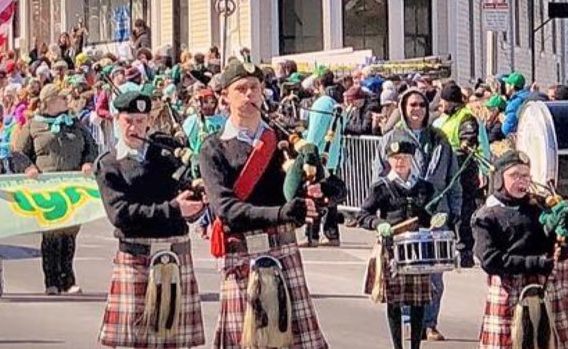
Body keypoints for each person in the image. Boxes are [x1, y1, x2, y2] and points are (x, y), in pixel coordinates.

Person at [198, 60, 329, 348]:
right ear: (225, 96)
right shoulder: (213, 148)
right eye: (240, 89)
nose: (248, 95)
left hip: (282, 246)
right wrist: (281, 213)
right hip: (241, 249)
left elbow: (320, 189)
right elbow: (226, 209)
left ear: (262, 93)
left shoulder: (284, 140)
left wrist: (321, 189)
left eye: (254, 88)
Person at [96, 91, 207, 348]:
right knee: (135, 342)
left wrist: (198, 202)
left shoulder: (167, 155)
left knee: (175, 342)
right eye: (128, 120)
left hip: (176, 254)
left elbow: (188, 195)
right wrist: (173, 209)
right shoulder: (109, 164)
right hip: (136, 257)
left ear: (149, 121)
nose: (134, 127)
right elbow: (121, 215)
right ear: (116, 120)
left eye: (140, 120)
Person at [472, 150, 568, 348]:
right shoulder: (487, 215)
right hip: (508, 289)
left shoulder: (540, 206)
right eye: (514, 175)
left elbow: (563, 248)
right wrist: (535, 262)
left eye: (525, 175)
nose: (521, 181)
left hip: (544, 288)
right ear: (500, 178)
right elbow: (489, 260)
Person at [379, 87, 456, 339]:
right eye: (412, 105)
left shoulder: (439, 139)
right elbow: (378, 178)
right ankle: (407, 324)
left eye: (422, 105)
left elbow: (452, 180)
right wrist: (381, 218)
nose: (417, 110)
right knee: (402, 276)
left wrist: (453, 213)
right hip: (401, 219)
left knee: (433, 276)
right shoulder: (390, 139)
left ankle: (429, 323)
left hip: (435, 215)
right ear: (403, 107)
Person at [12, 83, 98, 295]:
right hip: (47, 189)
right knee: (51, 235)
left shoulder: (75, 124)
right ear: (49, 101)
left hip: (72, 187)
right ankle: (51, 281)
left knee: (69, 234)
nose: (65, 101)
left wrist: (88, 162)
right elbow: (18, 153)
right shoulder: (33, 126)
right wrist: (29, 167)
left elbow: (91, 147)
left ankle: (67, 280)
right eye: (61, 98)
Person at [352, 137, 436, 348]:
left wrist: (436, 218)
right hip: (392, 247)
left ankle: (416, 345)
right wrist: (378, 223)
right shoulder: (381, 187)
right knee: (395, 301)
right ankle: (397, 346)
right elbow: (363, 215)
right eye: (396, 158)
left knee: (419, 301)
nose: (400, 162)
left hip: (417, 247)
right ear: (388, 160)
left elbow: (430, 214)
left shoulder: (424, 187)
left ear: (412, 159)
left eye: (405, 158)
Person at [435, 82, 482, 268]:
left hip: (463, 170)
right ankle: (450, 247)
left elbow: (468, 138)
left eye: (444, 101)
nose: (441, 105)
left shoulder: (465, 117)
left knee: (464, 210)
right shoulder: (446, 118)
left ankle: (465, 251)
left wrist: (465, 143)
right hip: (448, 168)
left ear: (451, 102)